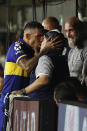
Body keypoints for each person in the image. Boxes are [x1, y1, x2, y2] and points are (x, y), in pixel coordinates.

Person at [0, 21, 62, 131]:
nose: (42, 39)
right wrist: (43, 51)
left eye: (43, 36)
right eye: (39, 36)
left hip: (22, 100)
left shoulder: (33, 50)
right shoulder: (17, 46)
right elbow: (27, 66)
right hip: (9, 99)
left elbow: (53, 32)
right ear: (27, 36)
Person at [12, 30, 69, 99]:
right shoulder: (63, 58)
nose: (41, 42)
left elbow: (44, 80)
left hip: (42, 103)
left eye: (44, 40)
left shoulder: (45, 58)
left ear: (50, 42)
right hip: (53, 101)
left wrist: (23, 91)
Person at [65, 16, 87, 81]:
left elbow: (84, 78)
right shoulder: (72, 51)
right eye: (66, 31)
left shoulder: (85, 50)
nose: (68, 35)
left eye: (71, 30)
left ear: (80, 30)